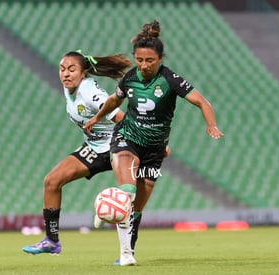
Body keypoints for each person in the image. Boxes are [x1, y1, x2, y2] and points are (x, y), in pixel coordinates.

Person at [84, 20, 224, 266]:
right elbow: (114, 102)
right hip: (127, 138)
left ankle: (121, 235)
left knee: (137, 208)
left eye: (149, 60)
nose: (144, 65)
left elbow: (202, 101)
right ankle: (124, 253)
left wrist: (211, 124)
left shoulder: (170, 79)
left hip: (154, 149)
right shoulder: (130, 79)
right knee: (127, 192)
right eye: (139, 60)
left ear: (159, 59)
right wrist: (96, 117)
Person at [22, 50, 132, 255]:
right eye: (62, 69)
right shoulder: (68, 89)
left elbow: (121, 118)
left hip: (117, 145)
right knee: (51, 182)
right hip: (94, 147)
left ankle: (127, 252)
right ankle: (51, 241)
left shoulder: (90, 93)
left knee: (130, 196)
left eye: (72, 70)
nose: (65, 74)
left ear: (83, 74)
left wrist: (144, 144)